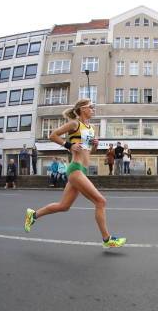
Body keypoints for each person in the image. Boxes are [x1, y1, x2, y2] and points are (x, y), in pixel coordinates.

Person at [24, 99, 126, 249]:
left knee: (64, 206)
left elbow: (88, 151)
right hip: (75, 168)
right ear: (82, 109)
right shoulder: (74, 124)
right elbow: (53, 135)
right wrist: (69, 145)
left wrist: (95, 146)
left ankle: (33, 215)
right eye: (91, 107)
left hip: (82, 169)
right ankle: (107, 239)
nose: (93, 109)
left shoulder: (91, 128)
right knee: (100, 201)